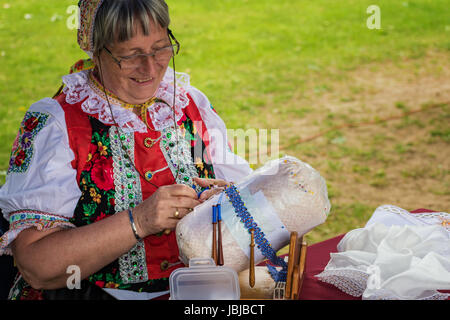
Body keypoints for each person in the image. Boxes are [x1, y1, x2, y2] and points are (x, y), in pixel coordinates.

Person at [0, 0, 251, 300]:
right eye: (130, 55)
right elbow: (36, 267)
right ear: (96, 51)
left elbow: (239, 200)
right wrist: (139, 220)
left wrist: (222, 202)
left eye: (160, 47)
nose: (149, 67)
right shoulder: (56, 123)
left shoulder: (188, 105)